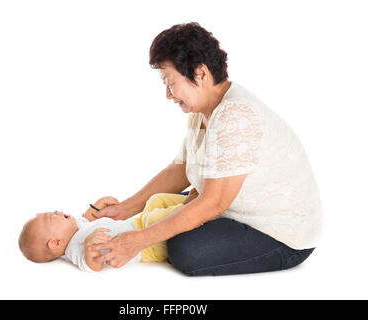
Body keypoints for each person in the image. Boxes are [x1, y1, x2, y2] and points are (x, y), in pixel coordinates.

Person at [84, 22, 322, 276]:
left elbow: (215, 202)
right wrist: (124, 209)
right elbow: (179, 171)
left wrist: (137, 241)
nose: (167, 94)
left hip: (282, 236)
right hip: (234, 209)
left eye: (170, 82)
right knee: (164, 210)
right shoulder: (202, 113)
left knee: (186, 250)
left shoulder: (236, 114)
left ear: (200, 74)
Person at [18, 190, 199, 272]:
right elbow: (92, 266)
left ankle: (185, 203)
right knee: (155, 217)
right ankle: (195, 207)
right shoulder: (74, 249)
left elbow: (88, 219)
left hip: (138, 225)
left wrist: (96, 206)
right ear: (56, 242)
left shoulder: (76, 227)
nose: (57, 211)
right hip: (147, 247)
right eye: (52, 216)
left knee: (155, 200)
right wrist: (90, 248)